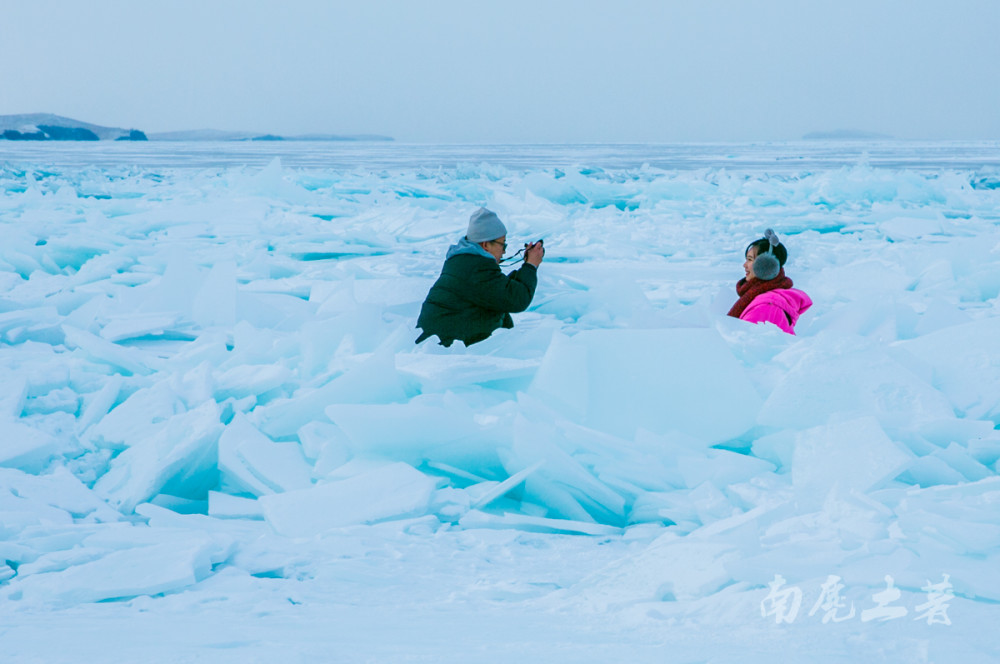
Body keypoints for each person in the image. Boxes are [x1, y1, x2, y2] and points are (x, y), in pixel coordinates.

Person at [416, 208, 545, 347]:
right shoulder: (476, 268)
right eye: (503, 244)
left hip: (437, 341)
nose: (504, 251)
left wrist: (526, 267)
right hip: (444, 348)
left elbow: (498, 292)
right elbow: (517, 300)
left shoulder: (465, 262)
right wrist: (531, 266)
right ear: (485, 245)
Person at [727, 229, 811, 334]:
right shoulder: (764, 297)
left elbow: (743, 345)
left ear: (766, 265)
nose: (744, 265)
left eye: (750, 259)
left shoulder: (766, 307)